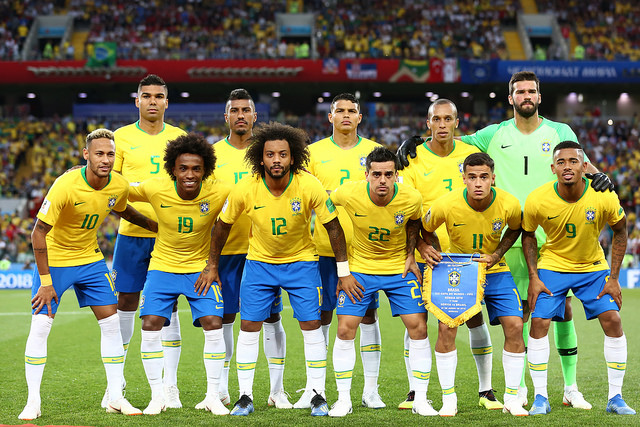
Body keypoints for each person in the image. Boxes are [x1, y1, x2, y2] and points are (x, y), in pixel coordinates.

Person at [397, 70, 614, 407]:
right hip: (510, 238)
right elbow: (449, 136)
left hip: (552, 236)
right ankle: (523, 389)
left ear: (539, 97)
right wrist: (415, 141)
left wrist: (600, 175)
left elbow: (579, 162)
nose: (526, 96)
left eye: (531, 91)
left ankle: (570, 387)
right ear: (510, 97)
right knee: (524, 315)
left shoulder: (560, 131)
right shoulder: (494, 133)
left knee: (562, 310)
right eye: (519, 92)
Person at [196, 122, 357, 417]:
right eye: (271, 155)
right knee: (249, 327)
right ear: (261, 158)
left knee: (311, 326)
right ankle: (244, 396)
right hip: (259, 264)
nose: (277, 160)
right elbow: (222, 226)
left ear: (292, 157)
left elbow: (333, 227)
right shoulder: (247, 186)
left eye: (283, 154)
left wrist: (343, 271)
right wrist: (212, 265)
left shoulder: (308, 184)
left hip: (301, 263)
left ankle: (317, 394)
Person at [19, 129, 157, 420]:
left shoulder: (117, 184)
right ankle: (33, 402)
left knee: (111, 325)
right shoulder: (65, 185)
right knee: (41, 326)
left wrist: (157, 227)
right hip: (55, 260)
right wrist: (45, 282)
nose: (105, 159)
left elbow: (126, 211)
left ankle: (116, 398)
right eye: (99, 153)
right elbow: (38, 233)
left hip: (91, 260)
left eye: (110, 154)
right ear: (86, 155)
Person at [399, 99, 500, 411]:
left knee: (473, 318)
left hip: (466, 255)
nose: (441, 125)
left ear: (457, 123)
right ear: (427, 123)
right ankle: (416, 391)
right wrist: (419, 247)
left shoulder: (470, 156)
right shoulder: (412, 158)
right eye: (436, 119)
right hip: (429, 254)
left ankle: (486, 390)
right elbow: (407, 209)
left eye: (448, 119)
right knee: (416, 320)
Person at [522, 141, 634, 415]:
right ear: (553, 168)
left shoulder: (603, 196)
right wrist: (534, 277)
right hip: (554, 265)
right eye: (561, 162)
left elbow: (621, 230)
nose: (567, 166)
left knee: (613, 320)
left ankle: (615, 398)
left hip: (592, 266)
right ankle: (540, 397)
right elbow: (527, 235)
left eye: (574, 161)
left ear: (585, 166)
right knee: (538, 321)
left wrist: (614, 278)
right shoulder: (537, 198)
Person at [327, 147, 438, 417]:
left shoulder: (411, 197)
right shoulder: (350, 192)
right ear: (366, 175)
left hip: (399, 269)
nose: (382, 181)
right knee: (344, 329)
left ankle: (420, 399)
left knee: (419, 327)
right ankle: (343, 399)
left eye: (388, 174)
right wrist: (343, 270)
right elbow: (327, 205)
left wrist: (412, 254)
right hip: (361, 270)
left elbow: (413, 223)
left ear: (396, 176)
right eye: (376, 174)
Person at [129, 133, 231, 415]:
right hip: (162, 267)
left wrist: (212, 264)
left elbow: (252, 191)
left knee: (213, 322)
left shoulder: (220, 190)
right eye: (183, 168)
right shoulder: (155, 187)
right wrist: (81, 172)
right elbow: (118, 191)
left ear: (205, 170)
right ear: (172, 169)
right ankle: (157, 395)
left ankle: (213, 395)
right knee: (150, 323)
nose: (189, 174)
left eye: (196, 169)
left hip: (199, 270)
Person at [422, 153, 528, 417]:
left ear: (493, 178)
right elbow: (423, 227)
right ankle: (449, 399)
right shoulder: (446, 204)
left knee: (515, 326)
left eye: (483, 177)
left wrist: (497, 254)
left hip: (495, 269)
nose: (478, 183)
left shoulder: (509, 203)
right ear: (464, 179)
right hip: (459, 269)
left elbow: (516, 228)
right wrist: (430, 248)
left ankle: (512, 398)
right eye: (472, 177)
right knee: (446, 327)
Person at [109, 74, 187, 409]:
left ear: (167, 102)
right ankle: (117, 384)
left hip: (171, 240)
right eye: (146, 95)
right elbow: (113, 191)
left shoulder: (180, 138)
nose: (152, 101)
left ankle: (170, 386)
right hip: (131, 236)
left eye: (159, 96)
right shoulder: (121, 138)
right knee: (125, 303)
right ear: (137, 101)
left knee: (167, 307)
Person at [210, 88, 290, 408]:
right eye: (235, 110)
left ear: (255, 116)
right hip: (228, 250)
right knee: (227, 317)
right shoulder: (212, 155)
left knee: (271, 318)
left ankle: (277, 390)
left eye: (247, 110)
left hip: (265, 251)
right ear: (226, 116)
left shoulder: (270, 153)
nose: (241, 115)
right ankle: (226, 389)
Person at [307, 93, 384, 408]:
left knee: (367, 316)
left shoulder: (374, 153)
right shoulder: (313, 154)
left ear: (360, 116)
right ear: (330, 117)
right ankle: (318, 391)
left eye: (352, 111)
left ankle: (370, 391)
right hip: (323, 250)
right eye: (340, 111)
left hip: (366, 252)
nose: (346, 115)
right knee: (322, 316)